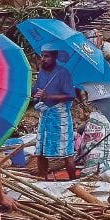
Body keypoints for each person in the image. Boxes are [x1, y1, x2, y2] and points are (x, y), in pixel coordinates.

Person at [32, 45, 77, 179]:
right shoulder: (42, 73)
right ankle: (41, 179)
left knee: (66, 151)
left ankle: (73, 180)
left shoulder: (63, 73)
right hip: (45, 115)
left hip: (59, 116)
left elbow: (71, 95)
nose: (43, 59)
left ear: (54, 57)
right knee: (40, 149)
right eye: (42, 55)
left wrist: (49, 96)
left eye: (47, 56)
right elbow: (37, 90)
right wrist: (37, 93)